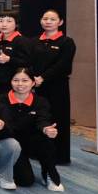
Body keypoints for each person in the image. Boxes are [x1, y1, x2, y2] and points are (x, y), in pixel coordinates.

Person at [0, 68, 64, 191]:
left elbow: (43, 120)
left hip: (30, 140)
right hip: (11, 143)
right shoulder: (1, 100)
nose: (20, 84)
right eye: (16, 80)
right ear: (11, 82)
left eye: (25, 80)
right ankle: (2, 167)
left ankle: (49, 173)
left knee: (46, 141)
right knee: (25, 181)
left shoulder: (41, 101)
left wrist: (46, 129)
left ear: (33, 82)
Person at [31, 9, 76, 165]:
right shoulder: (35, 41)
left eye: (52, 19)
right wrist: (33, 78)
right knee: (39, 117)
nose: (48, 22)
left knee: (58, 117)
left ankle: (59, 156)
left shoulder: (66, 42)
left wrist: (43, 77)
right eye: (45, 19)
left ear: (60, 22)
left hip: (57, 87)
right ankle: (38, 152)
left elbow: (63, 65)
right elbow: (30, 61)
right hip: (37, 86)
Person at [0, 10, 31, 94]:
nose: (4, 24)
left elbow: (28, 62)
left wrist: (9, 59)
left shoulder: (22, 41)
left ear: (16, 24)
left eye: (9, 21)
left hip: (15, 85)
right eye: (0, 21)